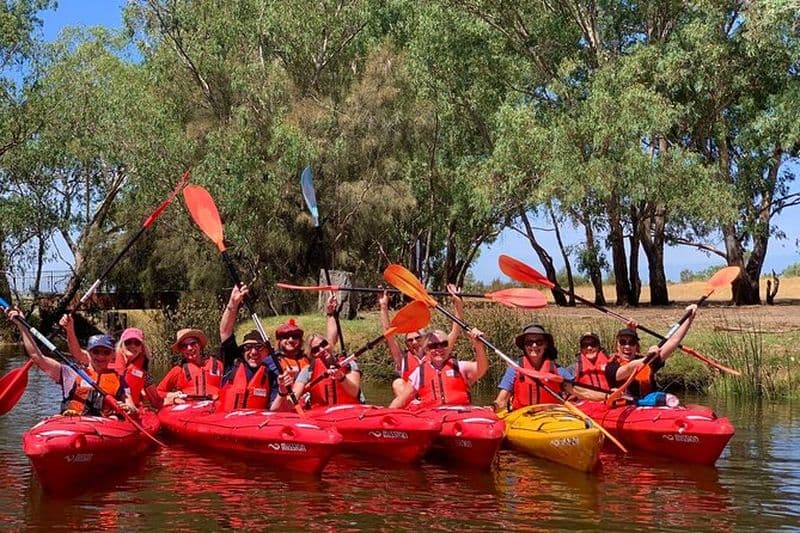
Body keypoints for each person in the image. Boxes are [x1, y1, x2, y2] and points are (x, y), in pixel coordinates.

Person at [5, 308, 136, 417]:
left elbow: (132, 407)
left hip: (103, 429)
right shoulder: (71, 373)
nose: (100, 356)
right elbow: (36, 356)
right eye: (96, 352)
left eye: (106, 352)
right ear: (88, 353)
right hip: (72, 425)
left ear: (112, 354)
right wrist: (22, 325)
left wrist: (128, 409)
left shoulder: (120, 379)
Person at [493, 324, 606, 412]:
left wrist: (607, 396)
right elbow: (501, 401)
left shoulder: (558, 371)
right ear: (524, 345)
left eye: (539, 342)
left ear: (546, 345)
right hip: (522, 417)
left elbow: (582, 392)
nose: (534, 346)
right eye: (529, 342)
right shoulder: (514, 370)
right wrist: (492, 408)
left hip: (551, 417)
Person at [59, 314, 162, 409]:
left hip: (127, 409)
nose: (132, 346)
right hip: (101, 408)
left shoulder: (144, 374)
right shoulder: (106, 358)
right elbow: (77, 353)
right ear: (121, 345)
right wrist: (70, 329)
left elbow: (156, 400)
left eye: (137, 343)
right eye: (128, 342)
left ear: (142, 348)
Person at [379, 285, 463, 397]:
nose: (414, 342)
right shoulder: (402, 359)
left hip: (431, 399)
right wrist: (383, 306)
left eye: (417, 338)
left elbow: (455, 330)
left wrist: (458, 303)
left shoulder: (437, 353)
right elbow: (388, 335)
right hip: (412, 402)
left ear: (425, 340)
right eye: (410, 340)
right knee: (398, 383)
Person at [217, 285, 291, 410]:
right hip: (225, 423)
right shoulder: (233, 361)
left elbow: (274, 410)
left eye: (259, 347)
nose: (253, 352)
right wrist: (233, 304)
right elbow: (225, 331)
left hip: (251, 426)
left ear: (267, 352)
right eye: (248, 347)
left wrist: (282, 391)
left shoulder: (272, 374)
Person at [604, 304, 698, 399]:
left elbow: (673, 341)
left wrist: (689, 318)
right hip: (626, 406)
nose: (627, 346)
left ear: (636, 346)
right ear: (617, 346)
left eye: (632, 342)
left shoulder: (649, 361)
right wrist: (648, 358)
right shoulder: (611, 366)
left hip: (651, 405)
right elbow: (627, 369)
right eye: (623, 342)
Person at [389, 327, 487, 409]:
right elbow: (401, 400)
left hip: (459, 414)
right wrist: (384, 415)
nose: (439, 349)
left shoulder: (459, 366)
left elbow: (481, 369)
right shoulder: (419, 372)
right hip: (432, 417)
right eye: (434, 346)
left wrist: (478, 346)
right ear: (427, 349)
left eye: (443, 344)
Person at [283, 333, 363, 409]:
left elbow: (354, 392)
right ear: (312, 355)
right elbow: (292, 400)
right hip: (322, 416)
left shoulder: (349, 364)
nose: (322, 350)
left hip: (350, 413)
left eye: (324, 344)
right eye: (315, 350)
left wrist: (341, 377)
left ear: (329, 344)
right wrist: (283, 390)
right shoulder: (307, 371)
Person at [157, 328, 223, 403]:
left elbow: (230, 389)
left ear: (199, 345)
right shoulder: (178, 370)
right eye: (184, 346)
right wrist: (173, 397)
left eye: (193, 343)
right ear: (181, 350)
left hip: (215, 408)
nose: (189, 348)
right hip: (189, 409)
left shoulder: (218, 365)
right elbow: (158, 392)